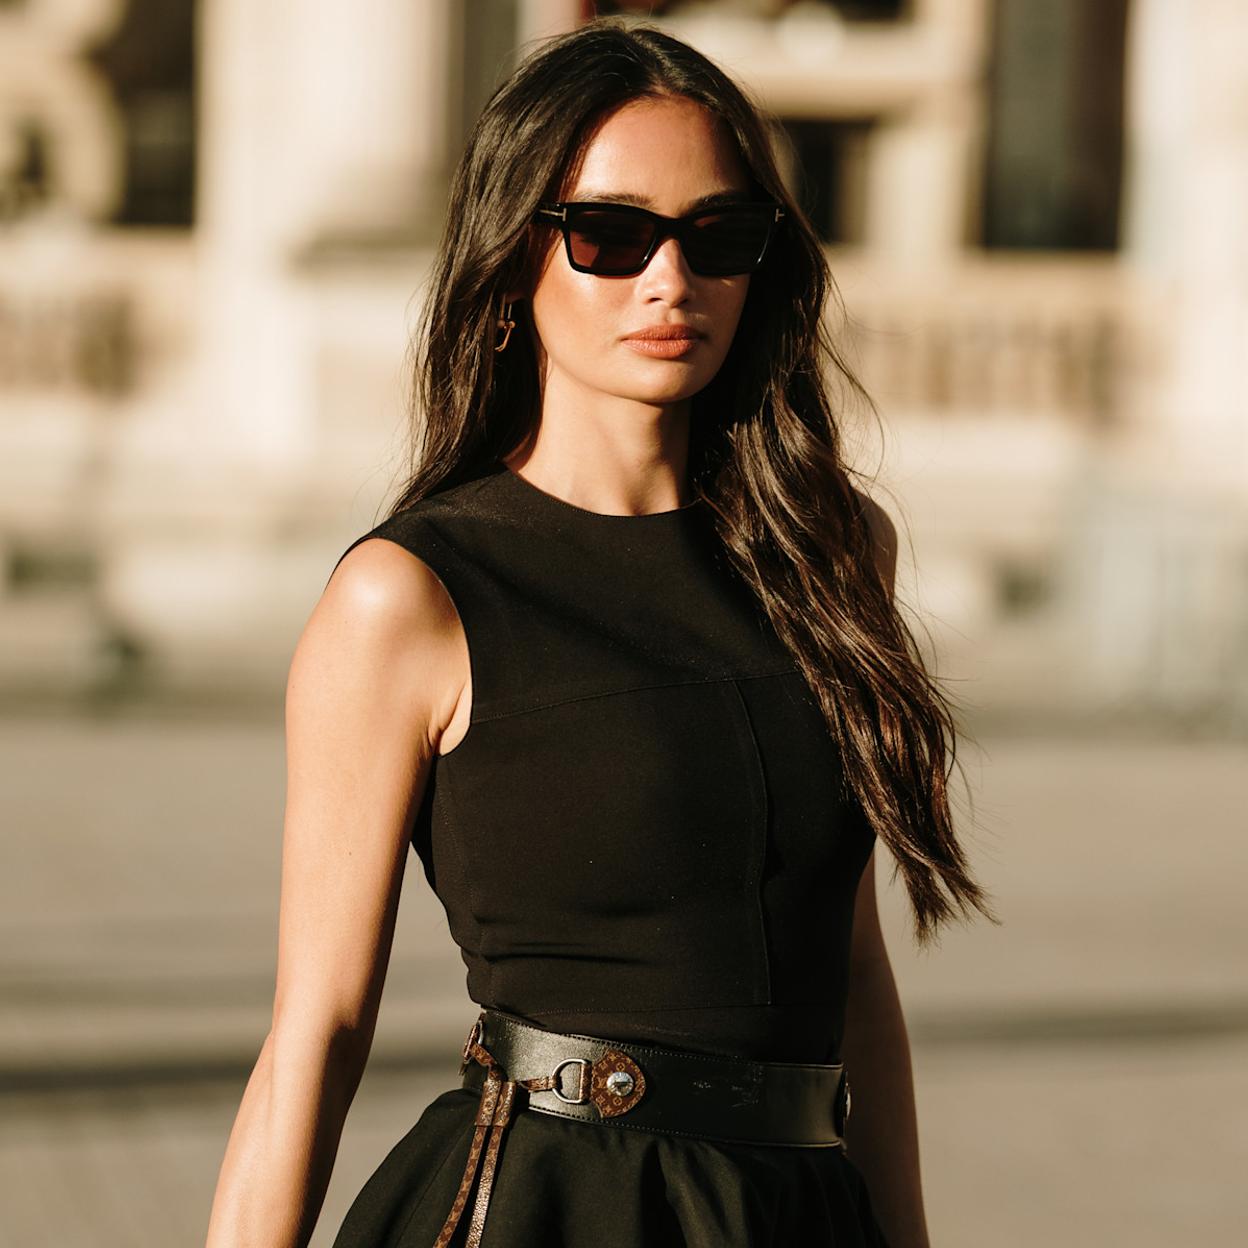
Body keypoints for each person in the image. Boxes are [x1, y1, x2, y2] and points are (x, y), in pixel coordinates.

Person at [205, 18, 994, 1248]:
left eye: (718, 237)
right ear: (513, 262)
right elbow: (318, 1025)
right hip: (549, 1207)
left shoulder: (833, 554)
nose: (668, 281)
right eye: (612, 237)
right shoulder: (410, 597)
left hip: (797, 1209)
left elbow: (852, 975)